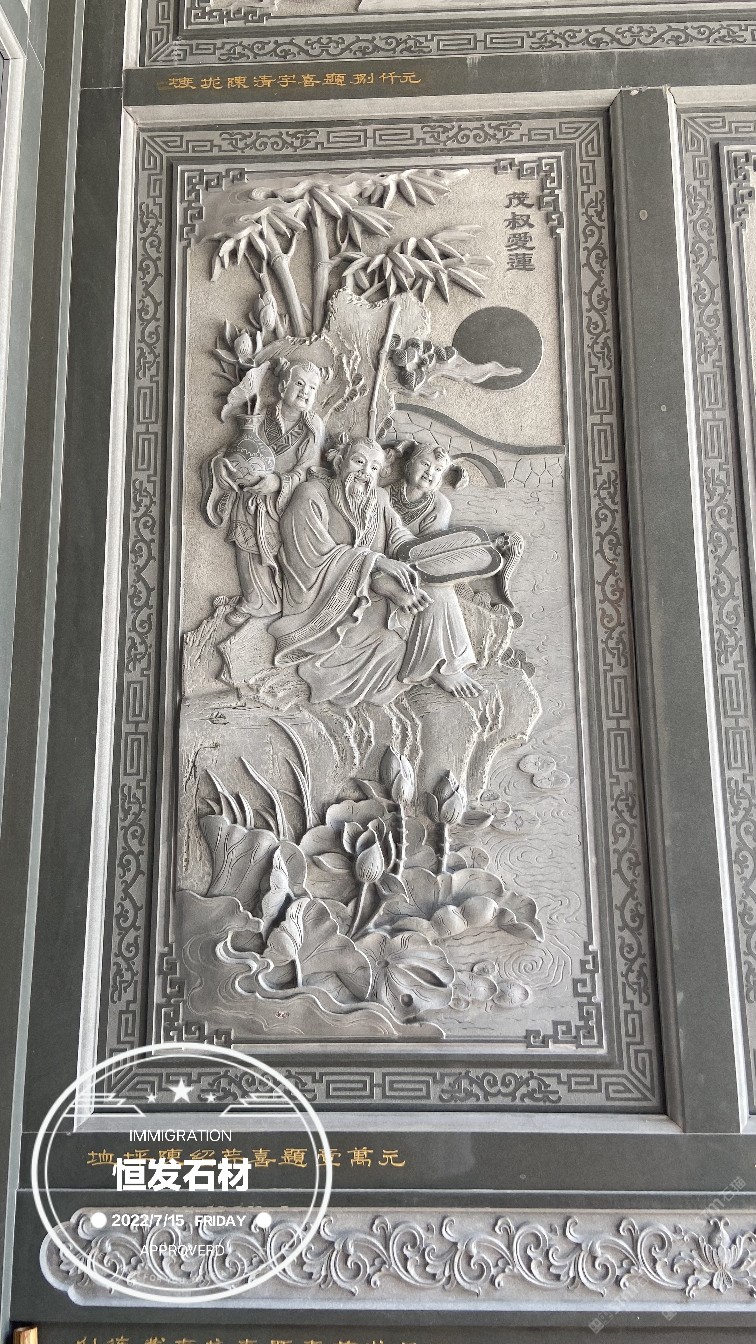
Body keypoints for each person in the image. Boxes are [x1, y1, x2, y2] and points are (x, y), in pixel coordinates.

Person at [269, 437, 482, 706]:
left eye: (373, 468)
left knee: (436, 587)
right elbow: (310, 559)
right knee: (391, 642)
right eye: (359, 462)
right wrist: (377, 566)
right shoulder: (311, 494)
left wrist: (428, 560)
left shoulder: (378, 497)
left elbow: (398, 537)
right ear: (340, 461)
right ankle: (433, 666)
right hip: (327, 598)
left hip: (370, 583)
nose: (364, 473)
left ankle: (445, 666)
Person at [202, 360, 326, 623]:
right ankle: (253, 600)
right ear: (282, 387)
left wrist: (279, 482)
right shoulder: (261, 415)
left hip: (285, 500)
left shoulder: (312, 426)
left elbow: (308, 470)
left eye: (312, 388)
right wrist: (222, 463)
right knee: (246, 546)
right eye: (299, 384)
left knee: (279, 548)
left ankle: (279, 602)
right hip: (250, 494)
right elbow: (239, 446)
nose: (305, 392)